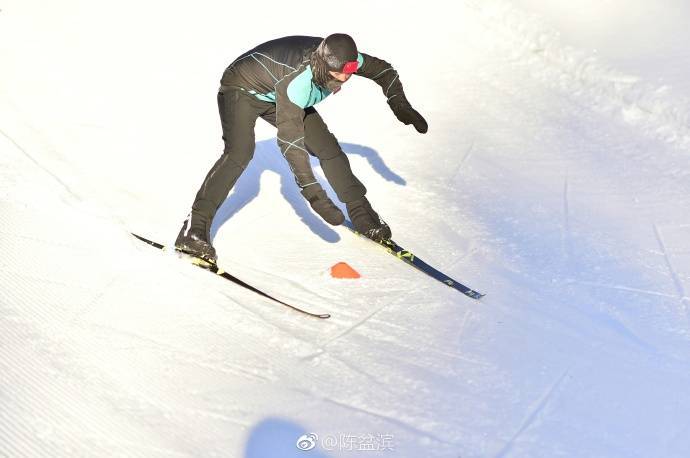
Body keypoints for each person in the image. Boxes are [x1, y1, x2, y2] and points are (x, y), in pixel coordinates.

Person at [175, 33, 428, 263]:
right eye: (341, 73)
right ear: (325, 65)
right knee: (239, 153)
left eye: (351, 70)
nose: (346, 77)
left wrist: (399, 104)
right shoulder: (298, 81)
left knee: (328, 148)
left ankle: (363, 215)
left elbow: (384, 71)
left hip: (276, 92)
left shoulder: (342, 59)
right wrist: (315, 196)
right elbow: (291, 144)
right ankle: (193, 230)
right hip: (242, 89)